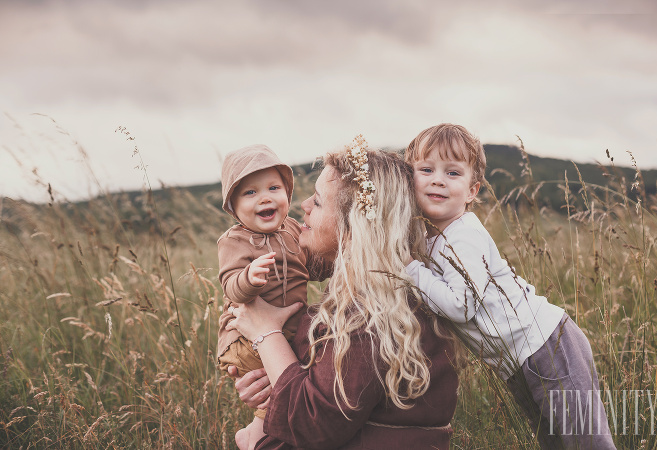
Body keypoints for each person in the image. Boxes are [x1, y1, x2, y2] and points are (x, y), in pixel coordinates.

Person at [226, 136, 460, 449]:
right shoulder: (381, 289)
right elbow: (327, 391)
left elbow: (313, 424)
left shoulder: (369, 313)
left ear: (353, 227)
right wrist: (273, 379)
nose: (304, 207)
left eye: (318, 202)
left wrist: (266, 333)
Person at [404, 123, 615, 449]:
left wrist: (412, 270)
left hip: (548, 347)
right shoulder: (433, 238)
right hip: (520, 362)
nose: (438, 179)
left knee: (587, 443)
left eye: (453, 173)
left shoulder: (463, 234)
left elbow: (461, 306)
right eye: (427, 169)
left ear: (472, 191)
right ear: (410, 178)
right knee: (557, 444)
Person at [216, 144, 320, 449]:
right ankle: (257, 433)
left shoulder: (291, 228)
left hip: (283, 330)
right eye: (249, 193)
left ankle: (268, 432)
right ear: (233, 207)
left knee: (295, 376)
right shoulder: (234, 240)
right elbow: (231, 288)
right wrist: (248, 278)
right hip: (245, 336)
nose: (264, 197)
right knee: (280, 385)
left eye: (274, 188)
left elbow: (310, 265)